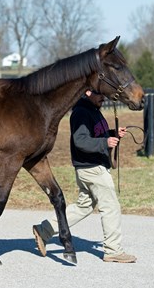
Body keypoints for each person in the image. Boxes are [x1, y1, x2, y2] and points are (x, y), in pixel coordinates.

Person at [32, 88, 136, 263]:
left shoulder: (93, 111)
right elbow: (81, 141)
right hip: (93, 168)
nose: (103, 97)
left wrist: (112, 134)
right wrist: (105, 142)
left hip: (88, 168)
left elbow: (95, 134)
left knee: (84, 206)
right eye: (100, 94)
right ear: (88, 92)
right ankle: (113, 250)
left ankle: (44, 230)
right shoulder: (80, 112)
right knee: (111, 206)